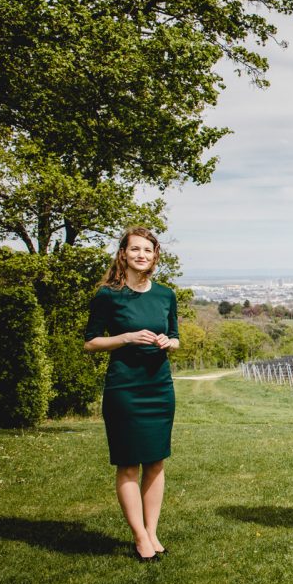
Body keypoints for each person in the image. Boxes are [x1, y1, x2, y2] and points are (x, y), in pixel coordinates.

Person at [84, 227, 179, 563]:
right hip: (124, 387)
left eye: (148, 250)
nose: (142, 255)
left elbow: (175, 336)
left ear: (155, 257)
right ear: (123, 253)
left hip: (159, 387)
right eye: (135, 249)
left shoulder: (166, 294)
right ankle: (139, 537)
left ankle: (152, 531)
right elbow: (90, 342)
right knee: (128, 464)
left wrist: (170, 342)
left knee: (155, 461)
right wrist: (125, 337)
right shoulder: (107, 296)